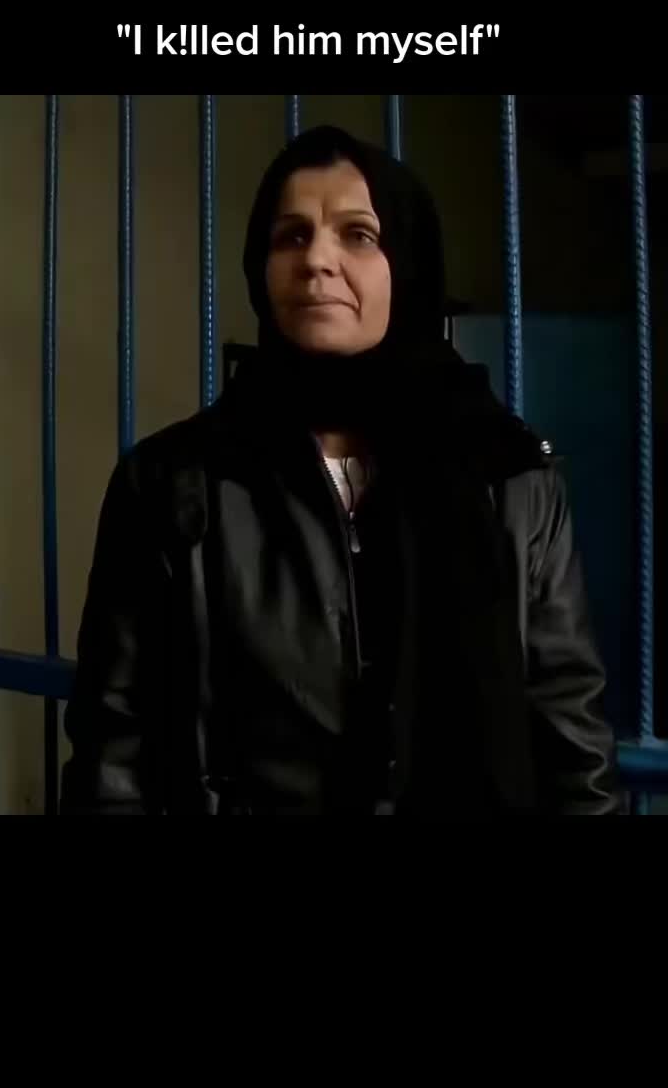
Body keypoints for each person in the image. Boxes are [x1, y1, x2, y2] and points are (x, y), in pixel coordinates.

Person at [60, 124, 621, 816]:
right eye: (290, 236)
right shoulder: (171, 482)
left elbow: (571, 741)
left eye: (358, 235)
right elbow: (115, 749)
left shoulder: (509, 477)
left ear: (407, 263)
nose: (316, 260)